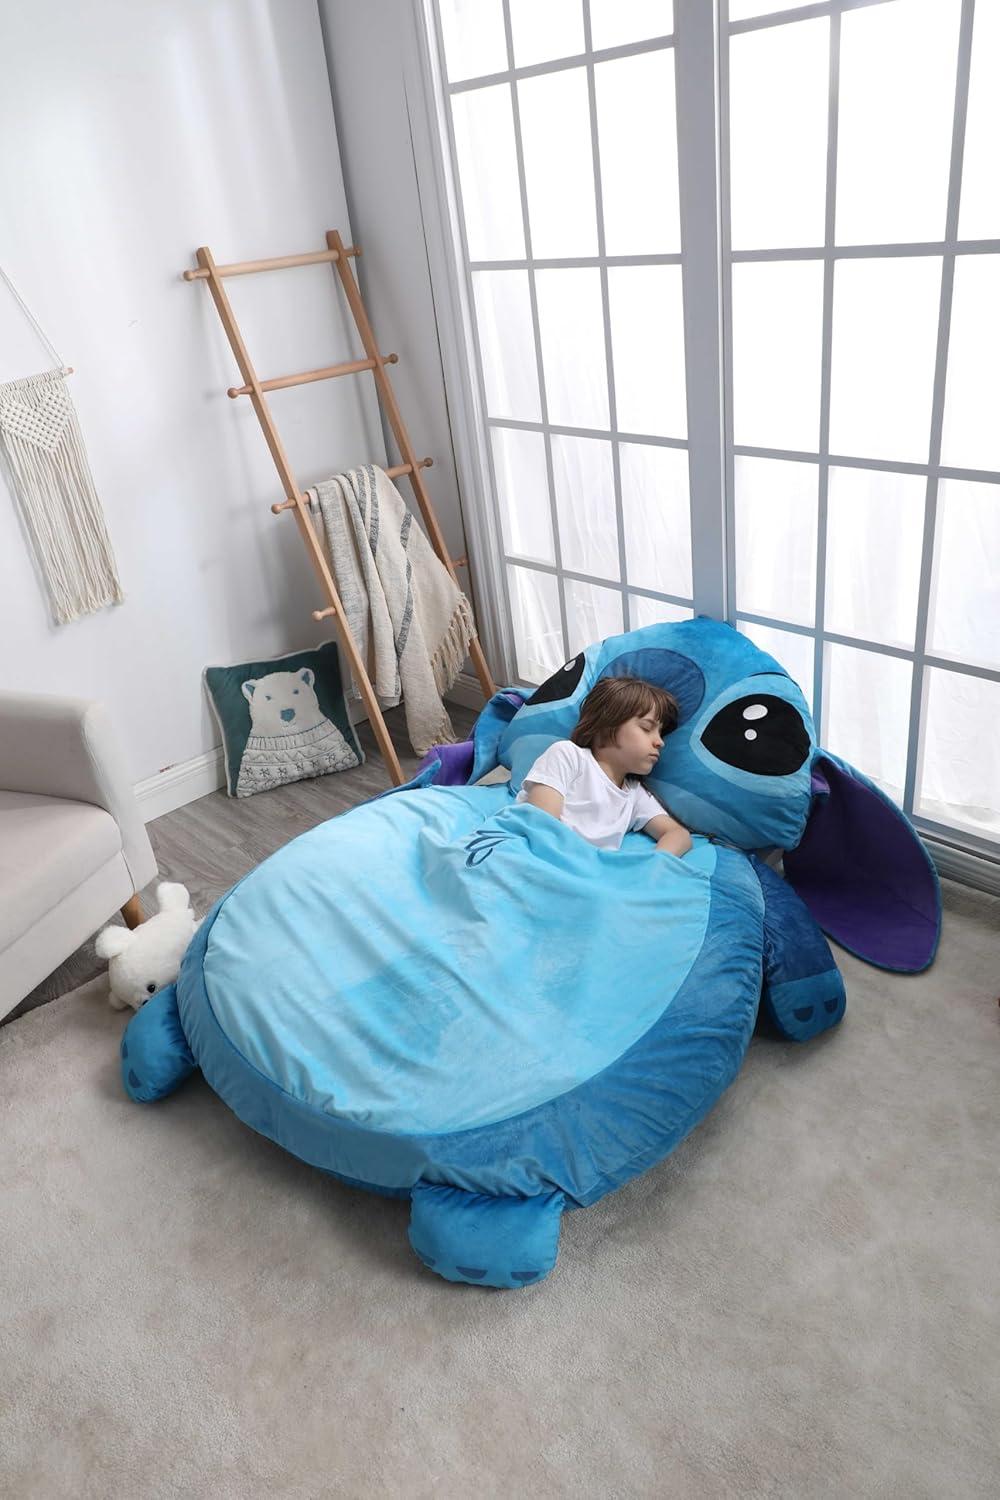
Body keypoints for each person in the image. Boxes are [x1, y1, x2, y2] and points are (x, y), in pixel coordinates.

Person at [514, 675, 692, 857]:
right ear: (606, 727)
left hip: (584, 866)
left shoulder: (634, 793)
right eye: (647, 728)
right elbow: (542, 827)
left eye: (660, 733)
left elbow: (678, 834)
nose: (660, 742)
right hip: (539, 854)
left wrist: (649, 865)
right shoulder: (568, 756)